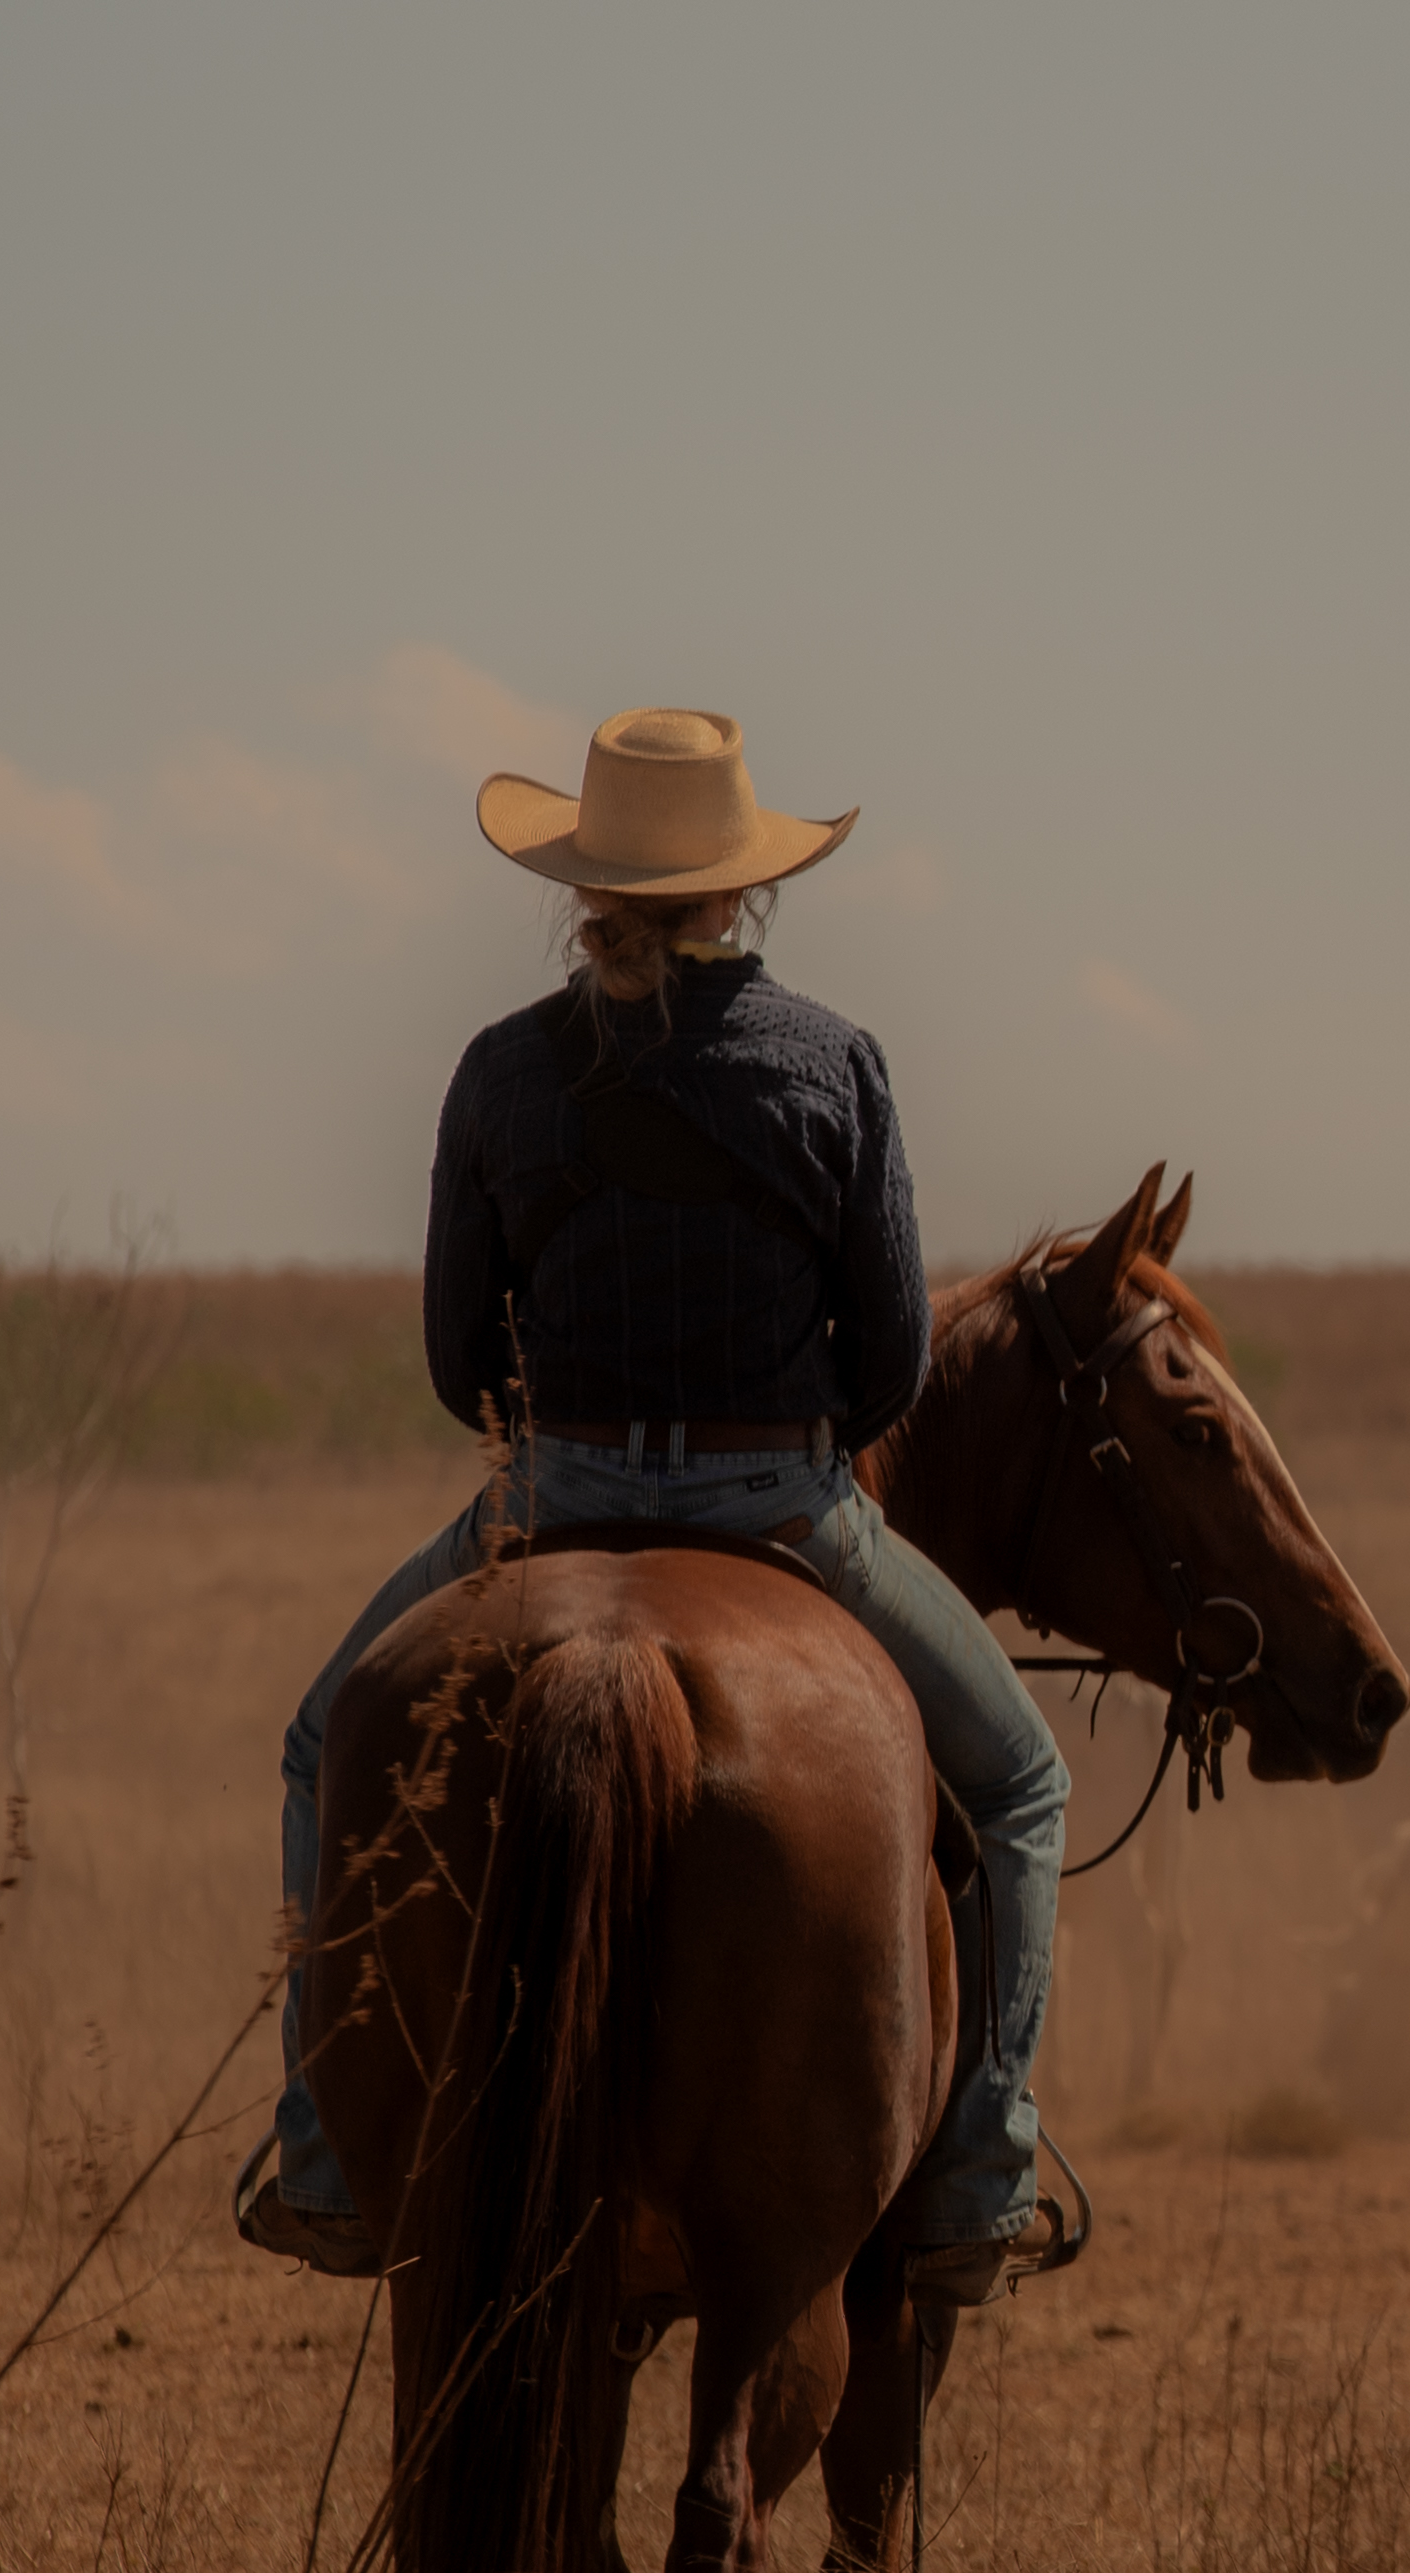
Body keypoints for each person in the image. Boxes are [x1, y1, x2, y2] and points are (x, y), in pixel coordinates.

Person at [236, 706, 1076, 2306]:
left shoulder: (496, 1068)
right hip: (786, 1507)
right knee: (1023, 1784)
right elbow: (893, 1356)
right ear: (740, 892)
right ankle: (980, 2172)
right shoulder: (837, 1061)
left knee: (315, 1742)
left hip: (546, 1497)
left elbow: (446, 1357)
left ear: (583, 885)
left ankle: (328, 2155)